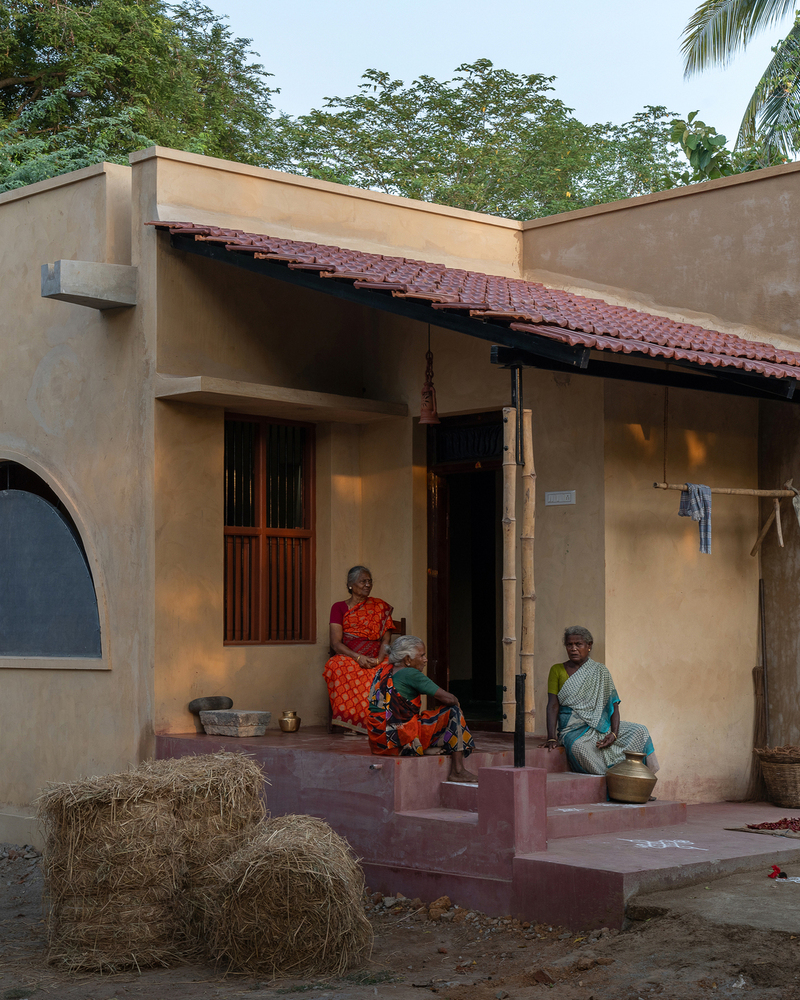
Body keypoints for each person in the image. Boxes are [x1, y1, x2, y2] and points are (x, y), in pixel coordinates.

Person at [541, 626, 659, 776]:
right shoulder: (556, 670)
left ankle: (643, 781)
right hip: (573, 730)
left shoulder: (600, 671)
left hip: (601, 727)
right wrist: (551, 737)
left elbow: (614, 705)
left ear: (589, 646)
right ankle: (615, 782)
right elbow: (552, 705)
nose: (573, 649)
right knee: (579, 748)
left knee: (640, 731)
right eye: (569, 645)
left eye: (578, 644)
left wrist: (614, 734)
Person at [367, 635, 478, 783]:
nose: (425, 659)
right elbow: (449, 699)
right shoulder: (410, 673)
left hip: (378, 742)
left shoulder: (383, 671)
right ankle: (457, 770)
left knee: (419, 719)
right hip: (398, 739)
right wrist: (459, 709)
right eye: (422, 655)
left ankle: (419, 748)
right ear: (407, 659)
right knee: (453, 712)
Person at [323, 566, 395, 733]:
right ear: (350, 585)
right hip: (349, 655)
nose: (367, 585)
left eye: (370, 581)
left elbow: (386, 639)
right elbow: (336, 643)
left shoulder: (380, 607)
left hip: (377, 655)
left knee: (391, 669)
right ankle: (354, 723)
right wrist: (357, 658)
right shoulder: (339, 607)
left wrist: (378, 658)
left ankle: (381, 723)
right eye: (363, 581)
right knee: (337, 666)